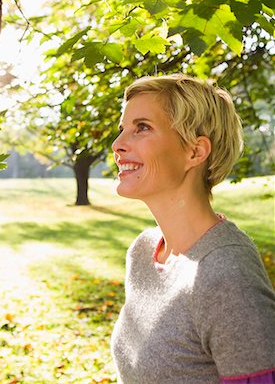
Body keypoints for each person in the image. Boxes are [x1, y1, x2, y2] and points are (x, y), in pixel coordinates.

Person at [111, 74, 275, 384]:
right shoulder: (144, 252)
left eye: (142, 128)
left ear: (195, 152)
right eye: (123, 129)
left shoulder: (226, 273)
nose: (117, 145)